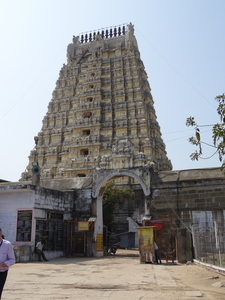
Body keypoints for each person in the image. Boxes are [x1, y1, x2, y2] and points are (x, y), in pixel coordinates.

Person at [0, 228, 15, 299]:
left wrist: (3, 265)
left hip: (2, 272)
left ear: (0, 235)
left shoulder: (7, 244)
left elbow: (12, 260)